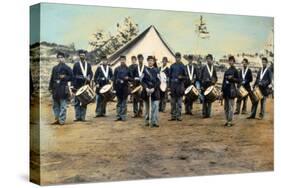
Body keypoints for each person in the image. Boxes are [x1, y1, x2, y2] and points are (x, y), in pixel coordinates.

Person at [48, 52, 73, 125]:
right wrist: (50, 87)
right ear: (57, 59)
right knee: (55, 105)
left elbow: (72, 77)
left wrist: (65, 77)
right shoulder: (54, 68)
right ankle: (57, 119)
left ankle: (62, 120)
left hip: (63, 88)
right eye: (59, 57)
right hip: (55, 89)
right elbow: (52, 78)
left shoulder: (67, 68)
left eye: (62, 57)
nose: (60, 59)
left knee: (63, 105)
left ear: (64, 58)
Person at [72, 50, 93, 122]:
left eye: (83, 55)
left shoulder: (88, 65)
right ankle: (77, 117)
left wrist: (89, 77)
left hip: (85, 85)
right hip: (77, 85)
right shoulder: (76, 65)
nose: (82, 56)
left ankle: (83, 117)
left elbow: (90, 73)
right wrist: (82, 77)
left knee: (84, 101)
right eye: (81, 55)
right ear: (79, 56)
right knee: (77, 101)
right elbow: (73, 75)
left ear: (85, 56)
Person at [141, 56, 161, 127]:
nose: (150, 62)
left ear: (154, 62)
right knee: (147, 108)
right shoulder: (144, 70)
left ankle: (154, 121)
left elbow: (159, 81)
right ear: (147, 61)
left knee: (155, 107)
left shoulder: (157, 70)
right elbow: (142, 81)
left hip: (155, 92)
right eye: (149, 60)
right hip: (146, 91)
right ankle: (147, 121)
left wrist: (153, 88)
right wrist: (146, 88)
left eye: (152, 60)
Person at [221, 56, 239, 127]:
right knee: (226, 107)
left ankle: (230, 121)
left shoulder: (235, 70)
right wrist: (222, 90)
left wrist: (232, 78)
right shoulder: (226, 71)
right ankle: (227, 120)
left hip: (231, 90)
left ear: (234, 62)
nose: (230, 62)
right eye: (229, 61)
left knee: (231, 106)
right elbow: (223, 81)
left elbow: (238, 80)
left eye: (232, 61)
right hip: (226, 90)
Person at [169, 52, 187, 121]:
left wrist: (181, 77)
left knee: (179, 103)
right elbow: (170, 77)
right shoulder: (172, 66)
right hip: (173, 87)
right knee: (173, 103)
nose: (177, 58)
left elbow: (186, 77)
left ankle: (179, 116)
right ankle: (173, 116)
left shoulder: (183, 66)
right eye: (176, 57)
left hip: (180, 87)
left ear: (180, 58)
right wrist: (169, 86)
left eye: (178, 57)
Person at [113, 55, 131, 121]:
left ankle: (123, 116)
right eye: (121, 60)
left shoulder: (128, 69)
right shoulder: (116, 69)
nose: (122, 61)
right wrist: (114, 88)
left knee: (124, 103)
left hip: (125, 88)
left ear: (125, 60)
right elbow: (114, 79)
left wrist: (128, 78)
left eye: (123, 60)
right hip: (118, 88)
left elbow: (131, 78)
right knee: (118, 103)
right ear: (119, 61)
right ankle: (118, 116)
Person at [200, 54, 218, 118]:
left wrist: (214, 81)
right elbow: (200, 77)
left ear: (212, 60)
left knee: (210, 100)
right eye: (207, 59)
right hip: (204, 86)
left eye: (210, 59)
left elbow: (216, 77)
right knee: (204, 100)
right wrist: (201, 85)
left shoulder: (214, 68)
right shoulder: (204, 67)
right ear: (206, 60)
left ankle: (209, 113)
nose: (208, 60)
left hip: (210, 86)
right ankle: (204, 113)